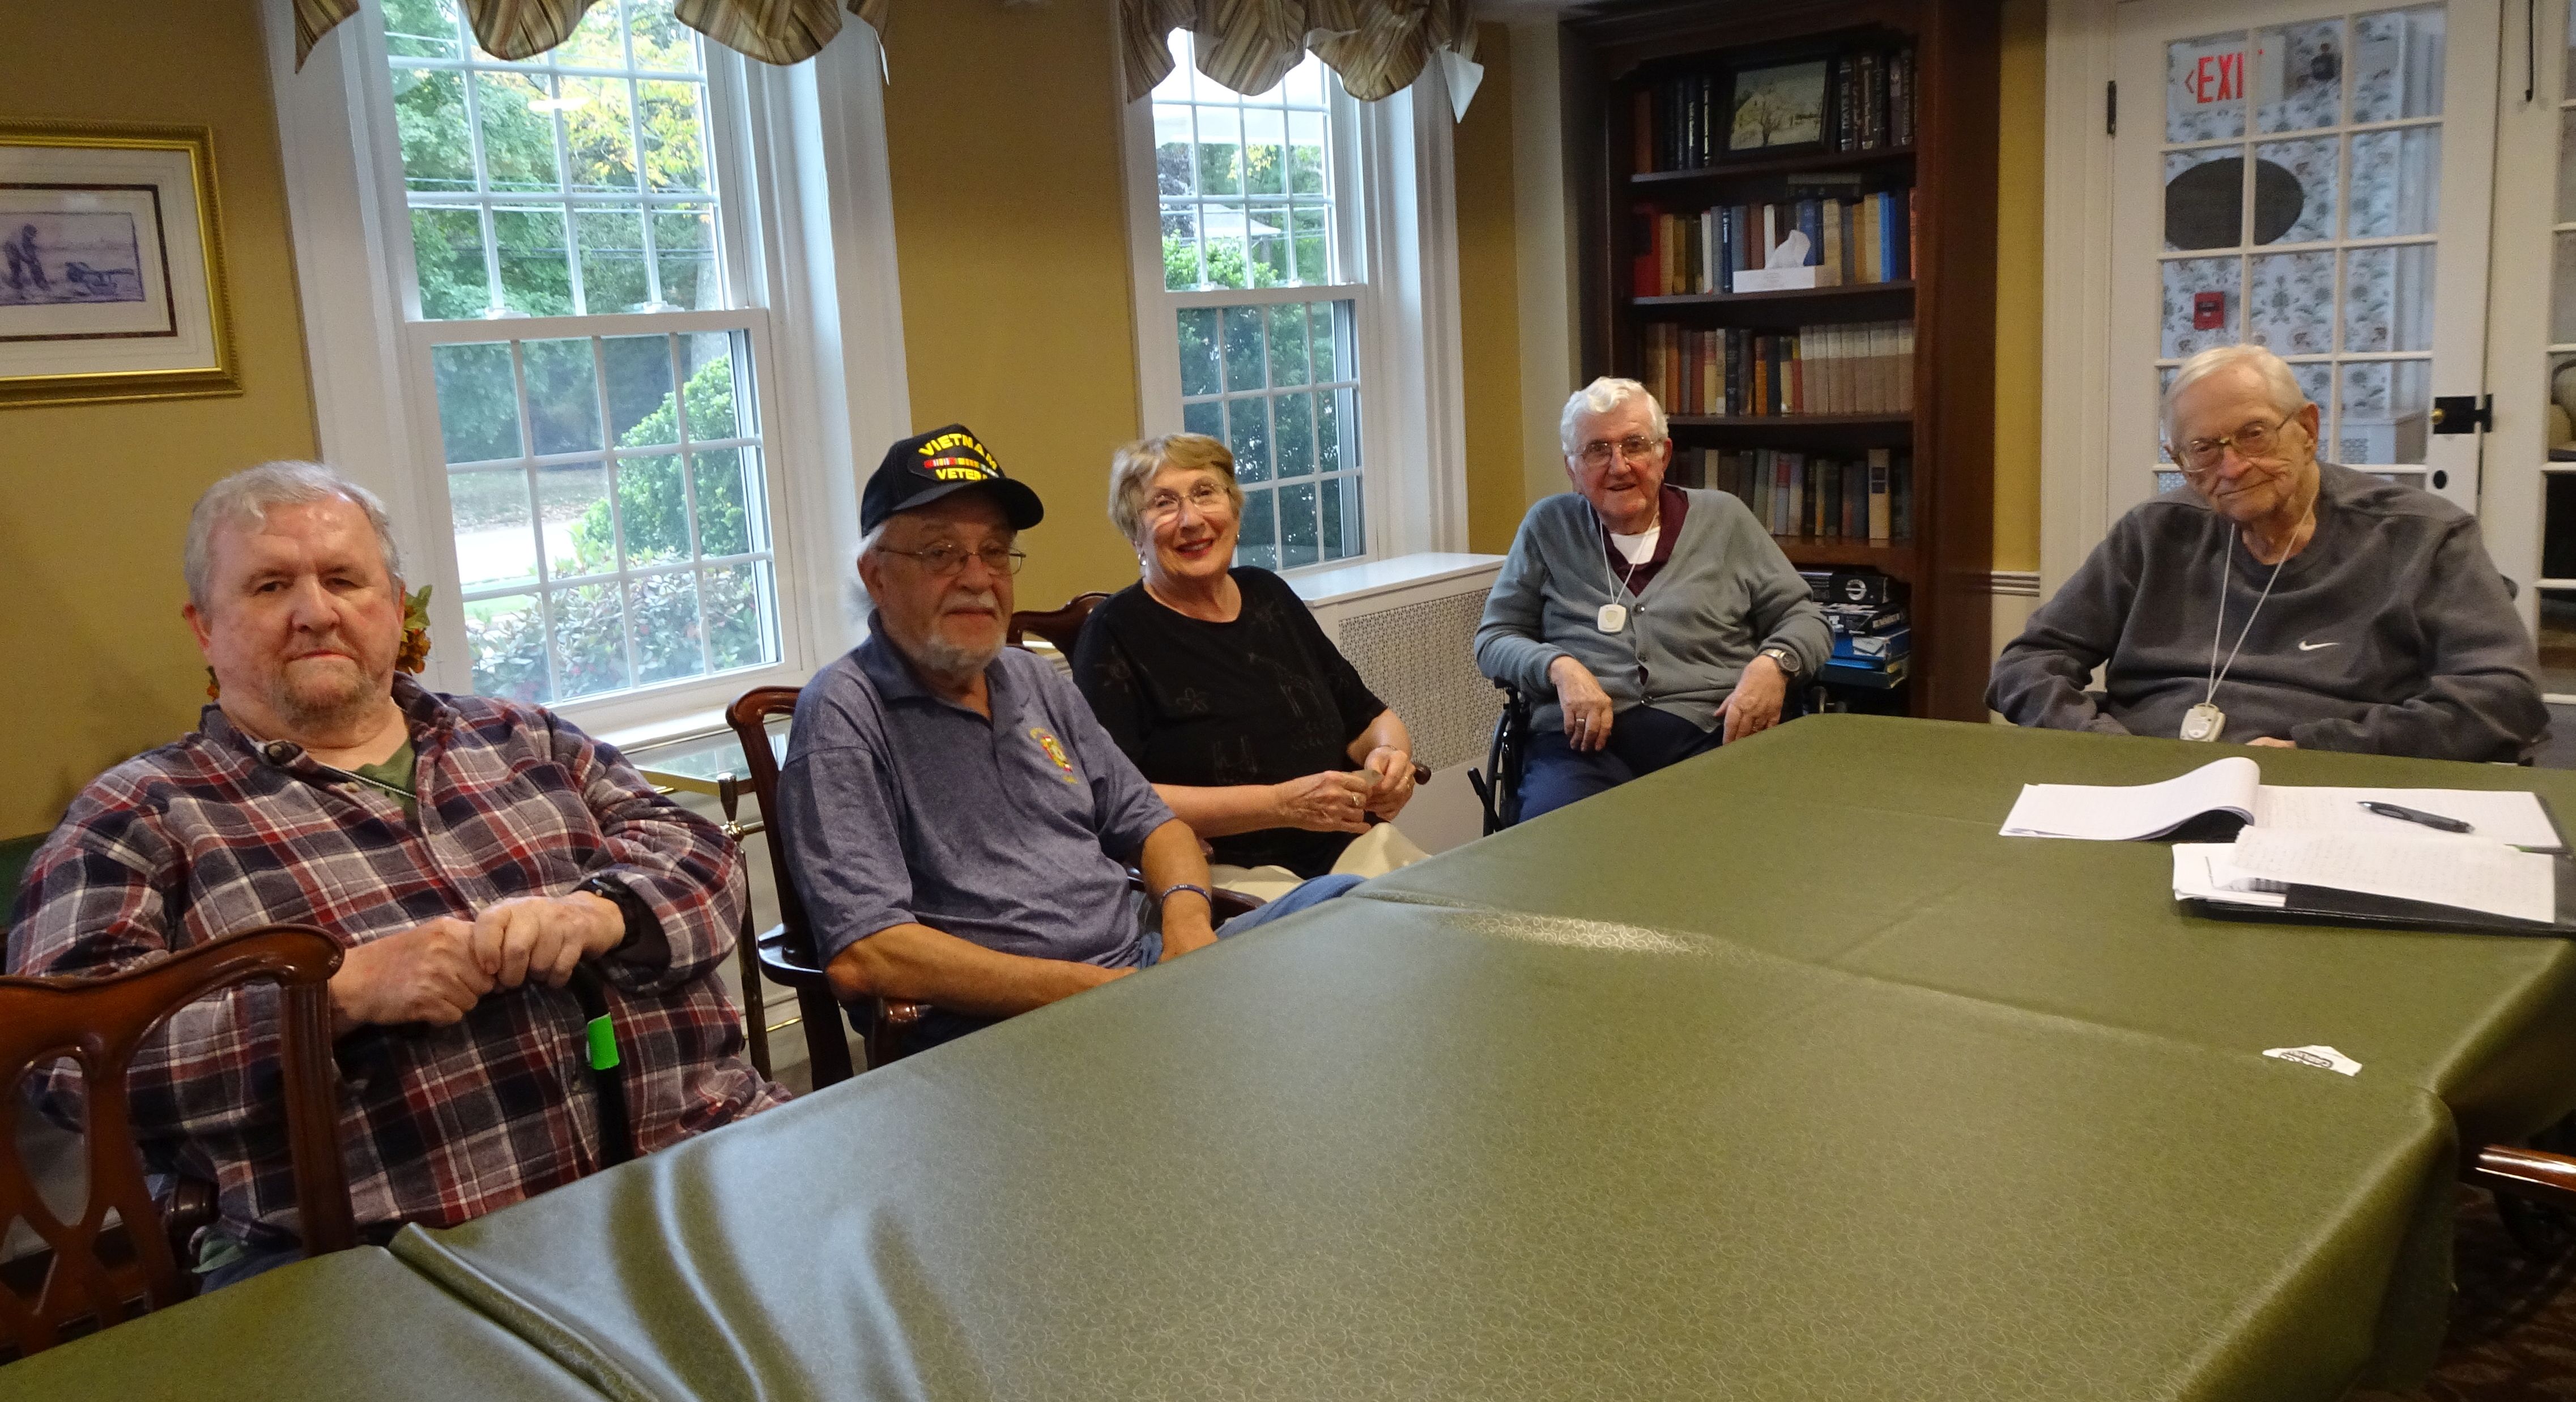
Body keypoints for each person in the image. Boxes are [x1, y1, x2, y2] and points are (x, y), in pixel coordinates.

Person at [6, 461, 784, 1288]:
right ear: (205, 626)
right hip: (395, 1261)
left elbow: (703, 855)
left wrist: (600, 913)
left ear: (393, 602)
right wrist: (334, 999)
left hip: (704, 1164)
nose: (315, 612)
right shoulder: (142, 813)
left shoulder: (526, 735)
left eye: (344, 579)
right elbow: (62, 1062)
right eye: (270, 586)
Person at [773, 425, 1359, 1052]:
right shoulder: (844, 710)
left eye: (994, 552)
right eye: (941, 553)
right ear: (877, 576)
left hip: (1144, 967)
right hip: (1014, 1029)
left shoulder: (1028, 678)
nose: (977, 578)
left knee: (1355, 908)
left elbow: (1153, 823)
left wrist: (1188, 921)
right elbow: (867, 952)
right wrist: (1101, 992)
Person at [1988, 344, 2546, 760]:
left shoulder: (2421, 534)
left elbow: (2500, 698)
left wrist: (2314, 751)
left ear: (2306, 428)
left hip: (2332, 786)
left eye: (2252, 435)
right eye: (2202, 449)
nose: (2230, 468)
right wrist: (2110, 748)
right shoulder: (2153, 532)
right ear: (2177, 458)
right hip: (2147, 782)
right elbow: (2024, 667)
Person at [1071, 433, 1421, 893]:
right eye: (1163, 503)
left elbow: (1368, 717)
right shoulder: (1115, 631)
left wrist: (1390, 760)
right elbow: (1116, 795)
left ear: (1233, 513)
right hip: (1229, 876)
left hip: (1351, 847)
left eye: (1204, 494)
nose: (1191, 520)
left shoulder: (1267, 594)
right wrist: (1279, 804)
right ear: (1135, 533)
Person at [1476, 378, 1830, 820]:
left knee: (1740, 832)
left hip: (1714, 735)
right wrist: (1558, 668)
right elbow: (1494, 638)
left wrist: (1774, 664)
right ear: (1572, 469)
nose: (1618, 466)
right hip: (1579, 747)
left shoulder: (1724, 519)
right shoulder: (1549, 527)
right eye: (1596, 450)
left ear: (1663, 454)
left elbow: (1805, 619)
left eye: (1634, 445)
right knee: (1561, 844)